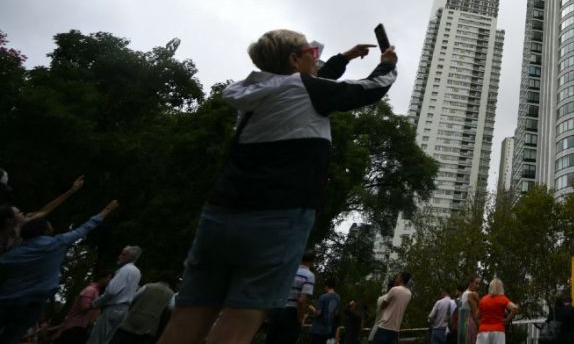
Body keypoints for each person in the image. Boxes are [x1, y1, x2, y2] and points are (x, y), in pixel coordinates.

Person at [157, 30, 398, 344]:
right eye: (311, 52)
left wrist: (345, 58)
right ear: (294, 59)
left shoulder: (256, 92)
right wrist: (388, 64)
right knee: (241, 317)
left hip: (220, 215)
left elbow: (309, 84)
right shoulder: (305, 89)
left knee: (190, 314)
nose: (316, 56)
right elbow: (369, 89)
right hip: (277, 218)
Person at [0, 200, 118, 344]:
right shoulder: (57, 243)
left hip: (6, 298)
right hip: (32, 303)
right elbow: (85, 228)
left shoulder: (13, 253)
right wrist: (106, 210)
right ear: (43, 229)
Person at [1, 175, 84, 253]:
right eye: (18, 213)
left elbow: (44, 211)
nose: (22, 213)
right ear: (9, 220)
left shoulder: (22, 223)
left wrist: (70, 191)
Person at [88, 244, 144, 344]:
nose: (119, 256)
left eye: (123, 254)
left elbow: (112, 291)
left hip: (113, 308)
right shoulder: (137, 272)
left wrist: (95, 304)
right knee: (106, 340)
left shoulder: (125, 270)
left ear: (129, 256)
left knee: (96, 340)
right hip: (123, 310)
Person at [266, 250, 317, 344]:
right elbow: (301, 301)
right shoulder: (309, 276)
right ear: (312, 261)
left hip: (276, 310)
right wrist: (300, 318)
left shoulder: (289, 271)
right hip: (291, 314)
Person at [108, 280, 175, 344]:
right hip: (149, 327)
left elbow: (134, 298)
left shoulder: (148, 286)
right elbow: (170, 309)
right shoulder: (171, 294)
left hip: (131, 320)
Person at [56, 272, 112, 344]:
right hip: (73, 328)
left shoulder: (96, 291)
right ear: (102, 278)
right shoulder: (90, 290)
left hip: (81, 327)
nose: (110, 280)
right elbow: (83, 308)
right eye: (109, 278)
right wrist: (97, 304)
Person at [370, 271, 412, 344]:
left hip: (384, 326)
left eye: (398, 277)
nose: (396, 279)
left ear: (401, 278)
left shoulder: (394, 289)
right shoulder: (409, 293)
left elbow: (383, 306)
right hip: (396, 329)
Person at [475, 278, 517, 344]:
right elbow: (514, 308)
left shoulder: (483, 300)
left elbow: (476, 316)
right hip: (498, 330)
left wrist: (481, 324)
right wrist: (507, 319)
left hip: (483, 330)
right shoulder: (502, 298)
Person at [310, 279, 340, 344]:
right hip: (328, 329)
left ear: (327, 286)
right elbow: (336, 312)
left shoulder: (323, 297)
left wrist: (312, 308)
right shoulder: (337, 298)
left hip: (317, 330)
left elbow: (318, 312)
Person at [456, 277, 480, 344]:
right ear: (470, 283)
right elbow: (476, 314)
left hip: (461, 326)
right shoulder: (472, 295)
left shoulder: (463, 294)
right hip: (470, 325)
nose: (478, 286)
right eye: (476, 283)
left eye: (479, 284)